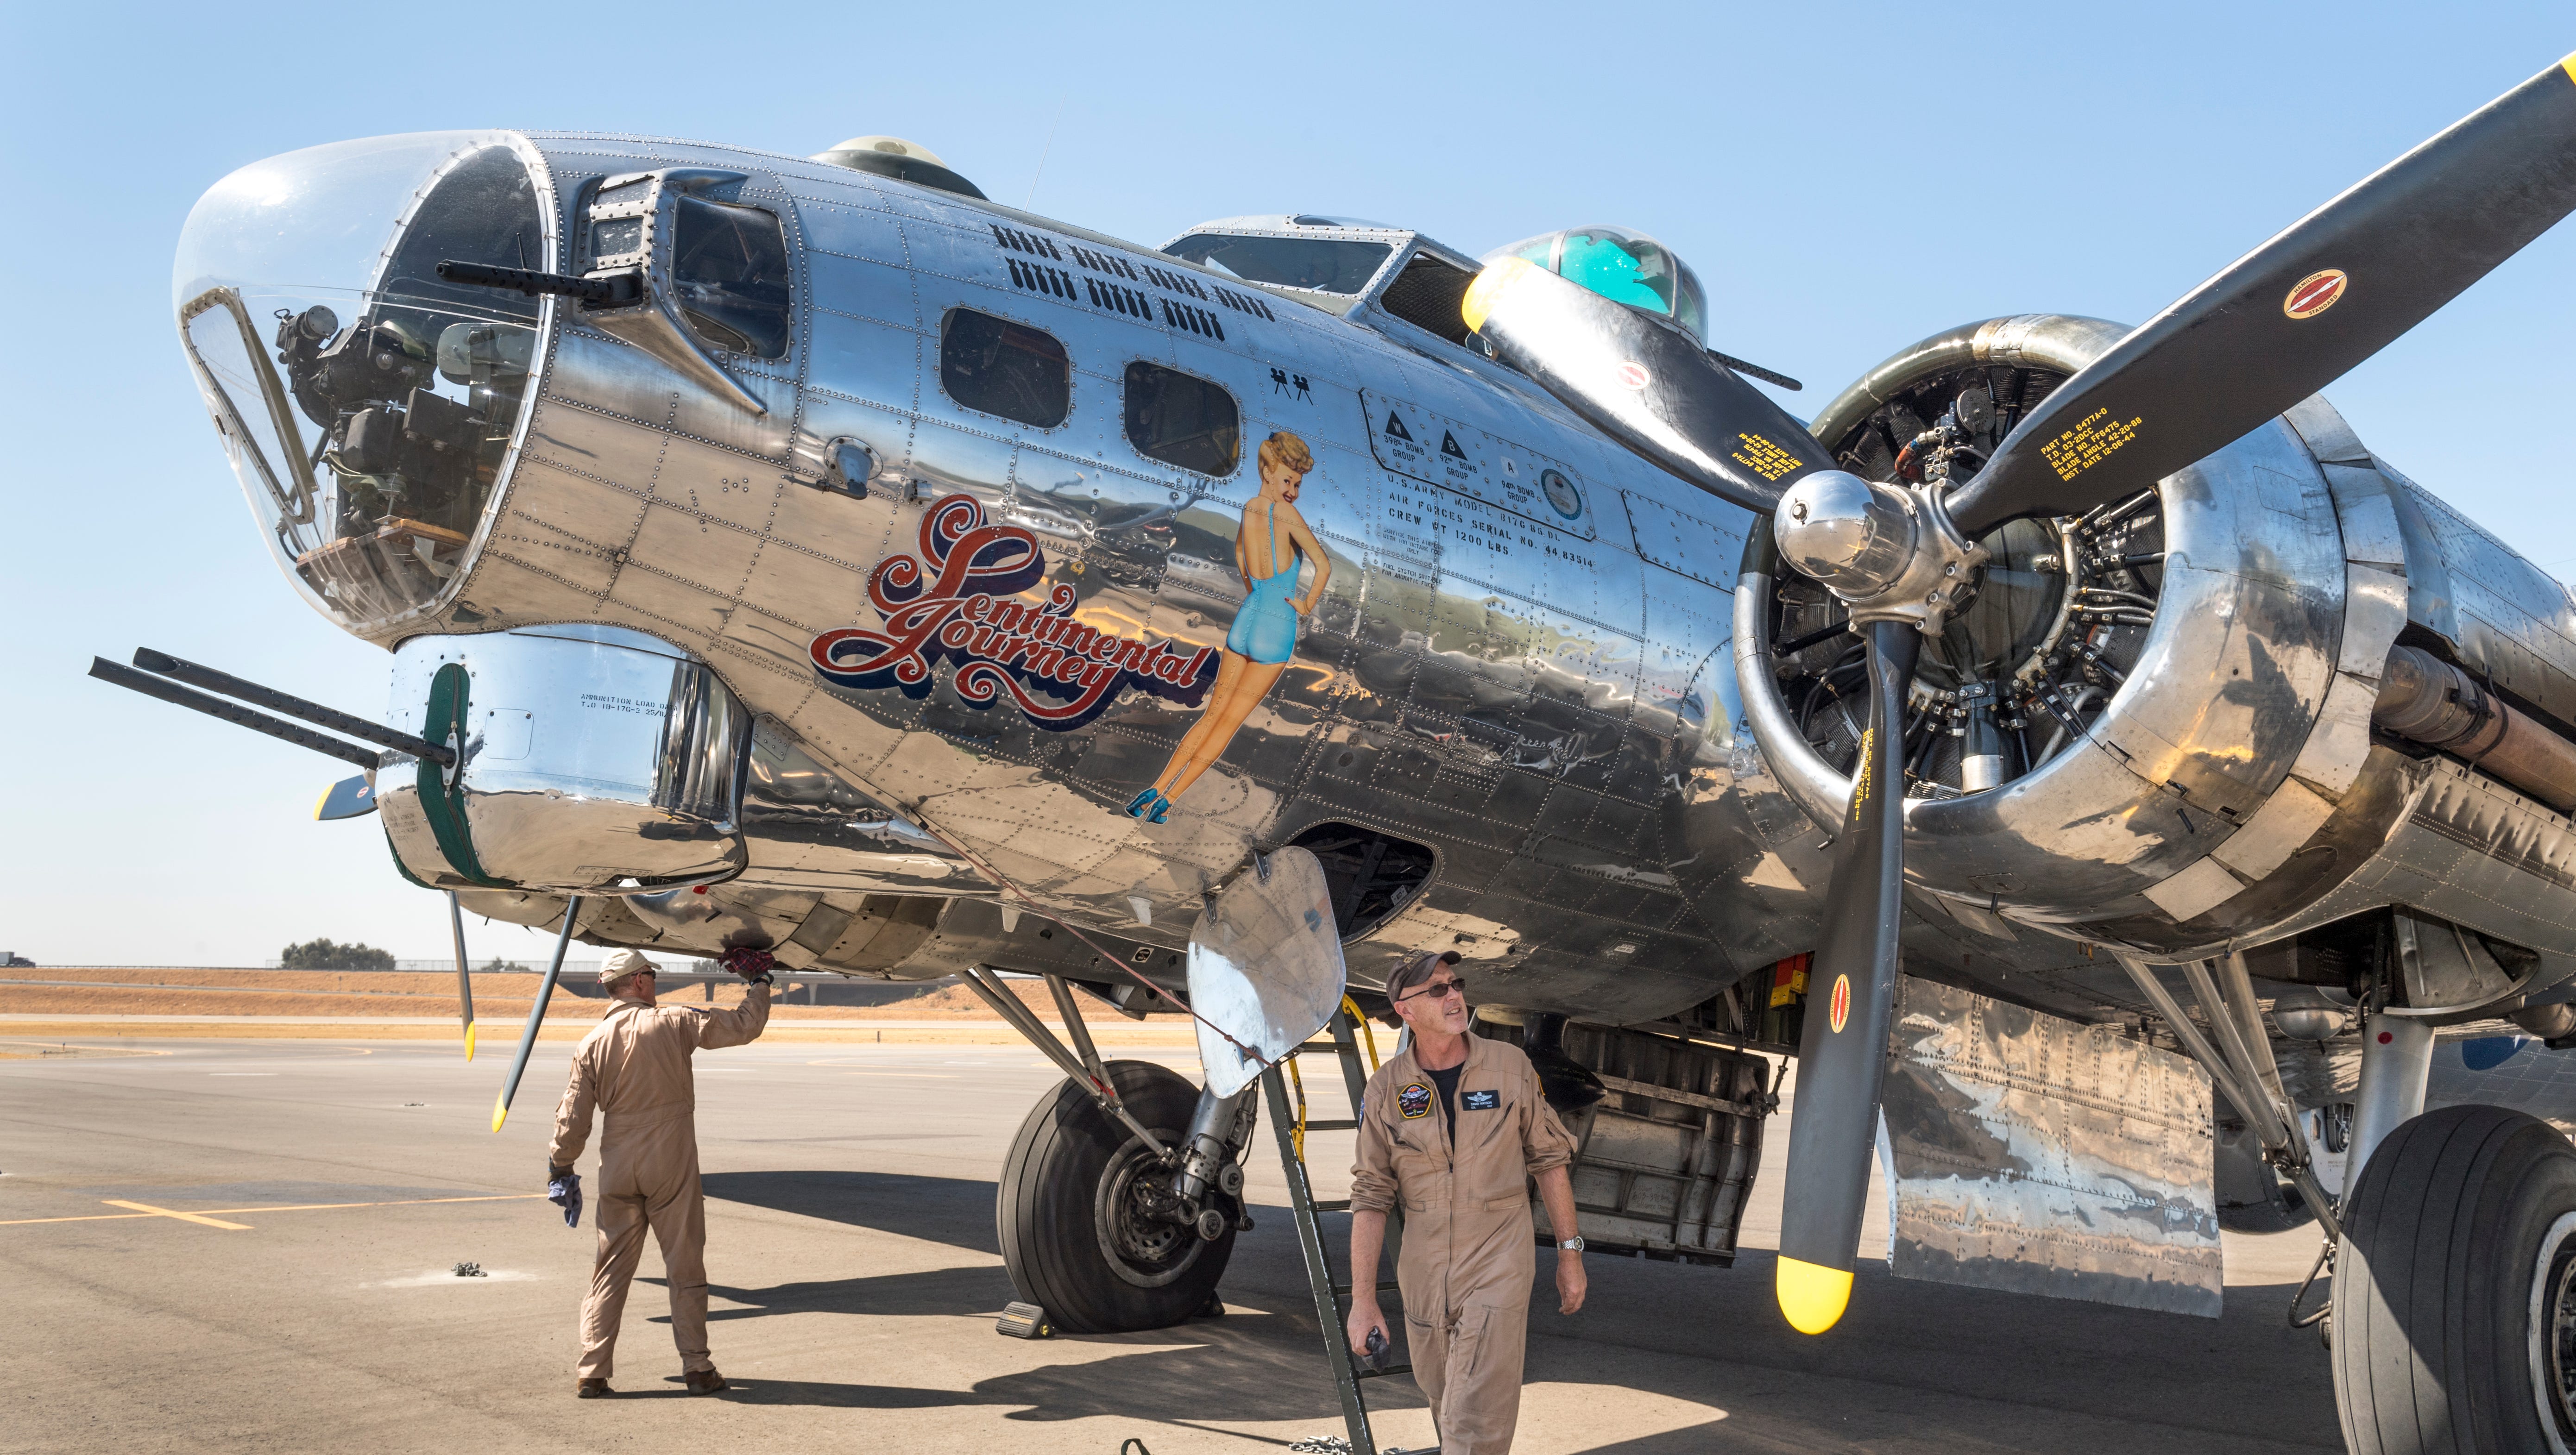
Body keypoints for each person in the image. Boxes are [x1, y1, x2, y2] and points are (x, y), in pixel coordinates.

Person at [1347, 951, 1586, 1455]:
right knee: (1446, 1401)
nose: (1454, 995)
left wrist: (1569, 1253)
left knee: (1473, 1419)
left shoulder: (1509, 1067)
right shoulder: (1387, 1088)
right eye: (1436, 990)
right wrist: (1363, 1300)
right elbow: (1370, 1197)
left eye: (1455, 984)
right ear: (1405, 1010)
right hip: (1424, 1271)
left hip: (1498, 1260)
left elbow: (1548, 1160)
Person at [548, 946, 773, 1398]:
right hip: (669, 1159)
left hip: (616, 1164)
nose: (654, 983)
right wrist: (760, 984)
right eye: (650, 975)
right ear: (638, 982)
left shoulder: (590, 1042)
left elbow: (573, 1117)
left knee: (608, 1272)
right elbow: (743, 1026)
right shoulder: (672, 1021)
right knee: (685, 1267)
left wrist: (560, 1165)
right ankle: (697, 1368)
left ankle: (592, 1371)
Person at [1128, 430, 1330, 823]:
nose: (1292, 490)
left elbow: (1241, 556)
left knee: (1211, 714)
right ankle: (1167, 802)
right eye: (1288, 480)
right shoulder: (1285, 515)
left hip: (1248, 615)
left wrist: (1255, 590)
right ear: (1268, 472)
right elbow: (1322, 564)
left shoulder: (1251, 508)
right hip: (1275, 625)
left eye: (1297, 484)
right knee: (1229, 723)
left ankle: (1154, 787)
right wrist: (1304, 604)